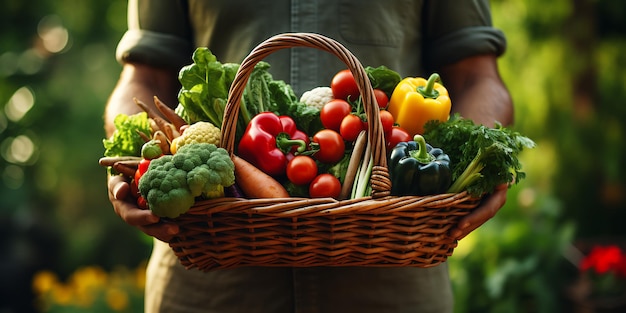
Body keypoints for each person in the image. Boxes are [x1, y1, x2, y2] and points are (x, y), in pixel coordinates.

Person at [105, 1, 513, 312]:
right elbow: (142, 78)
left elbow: (477, 77)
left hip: (392, 273)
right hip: (210, 275)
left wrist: (479, 162)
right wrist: (134, 161)